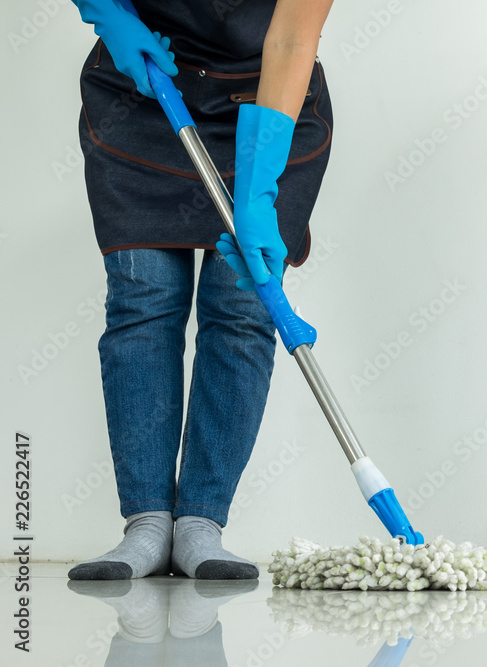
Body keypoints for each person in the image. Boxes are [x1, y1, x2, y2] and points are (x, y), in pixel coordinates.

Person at [67, 0, 335, 580]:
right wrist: (103, 10)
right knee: (143, 301)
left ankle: (200, 525)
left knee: (242, 306)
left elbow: (291, 37)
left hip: (267, 100)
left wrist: (259, 186)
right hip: (144, 97)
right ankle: (145, 525)